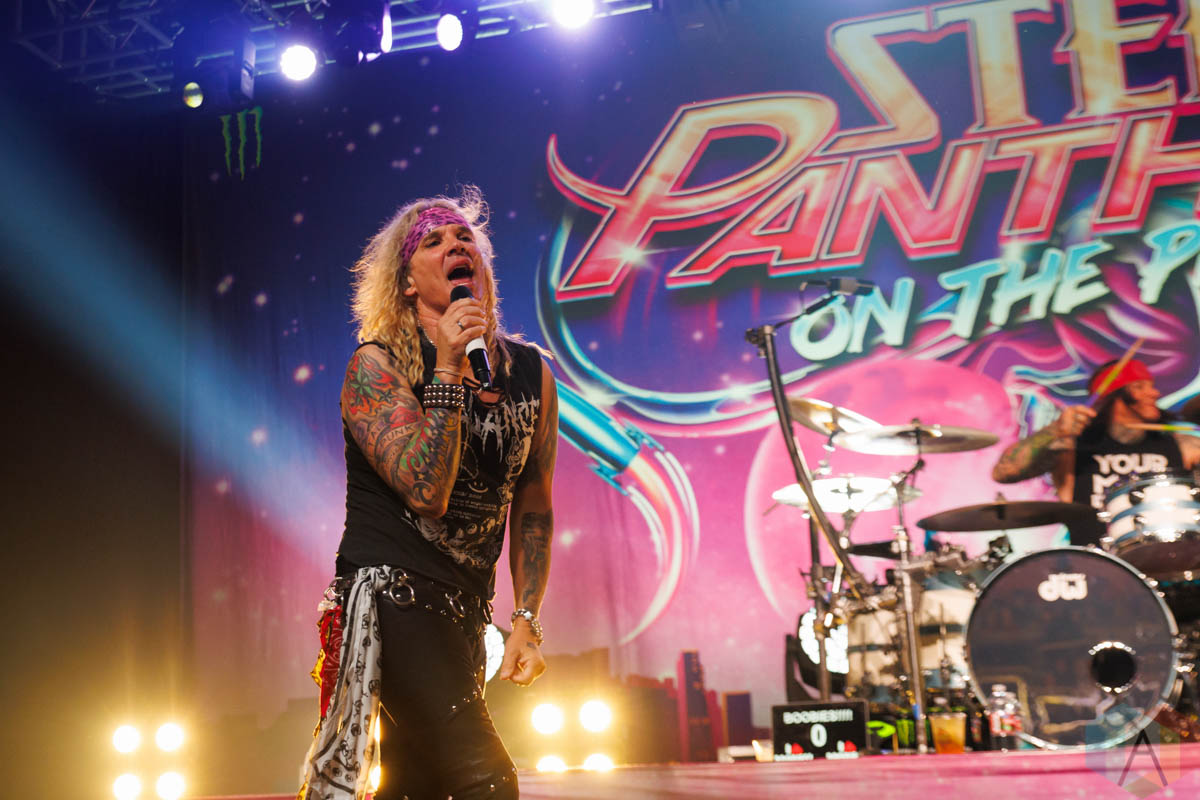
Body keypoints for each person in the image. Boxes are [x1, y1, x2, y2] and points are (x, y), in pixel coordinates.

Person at [299, 187, 558, 800]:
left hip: (467, 610)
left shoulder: (532, 373)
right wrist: (447, 366)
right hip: (396, 598)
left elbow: (534, 504)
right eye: (433, 241)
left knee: (419, 786)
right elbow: (425, 491)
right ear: (408, 282)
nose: (455, 244)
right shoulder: (378, 365)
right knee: (486, 780)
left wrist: (526, 619)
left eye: (465, 237)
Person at [992, 359, 1200, 546]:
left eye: (1151, 386)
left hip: (1171, 555)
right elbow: (1004, 471)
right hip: (1097, 566)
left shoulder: (1181, 444)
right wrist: (1055, 430)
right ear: (1111, 395)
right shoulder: (1073, 449)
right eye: (1139, 386)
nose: (1154, 393)